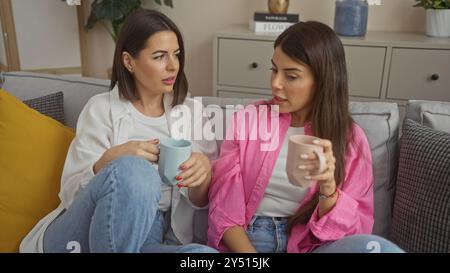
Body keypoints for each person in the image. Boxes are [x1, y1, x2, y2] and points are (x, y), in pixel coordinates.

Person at [20, 9, 218, 253]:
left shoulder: (193, 112)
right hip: (82, 232)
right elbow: (71, 195)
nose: (172, 66)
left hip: (151, 237)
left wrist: (203, 175)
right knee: (136, 171)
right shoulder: (101, 109)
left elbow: (204, 203)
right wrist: (108, 161)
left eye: (176, 55)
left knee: (203, 256)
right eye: (159, 57)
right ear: (128, 61)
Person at [207, 21, 404, 253]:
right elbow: (224, 207)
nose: (275, 83)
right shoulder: (250, 119)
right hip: (250, 240)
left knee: (379, 248)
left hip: (311, 245)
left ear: (322, 81)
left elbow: (354, 232)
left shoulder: (350, 139)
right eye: (274, 70)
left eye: (291, 76)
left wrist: (328, 186)